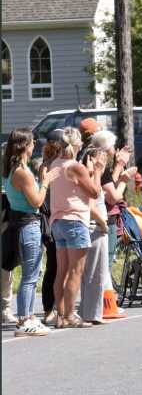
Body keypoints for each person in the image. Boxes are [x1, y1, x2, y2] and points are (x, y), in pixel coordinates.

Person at [2, 128, 59, 336]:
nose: (35, 144)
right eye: (33, 141)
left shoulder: (13, 169)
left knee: (32, 273)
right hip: (28, 224)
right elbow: (36, 201)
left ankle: (28, 316)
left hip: (23, 223)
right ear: (25, 145)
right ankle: (25, 319)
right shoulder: (22, 172)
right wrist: (46, 181)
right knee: (30, 275)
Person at [48, 127, 108, 328]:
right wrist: (98, 171)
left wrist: (89, 172)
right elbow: (94, 192)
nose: (82, 144)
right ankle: (70, 315)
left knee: (62, 271)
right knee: (75, 271)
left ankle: (60, 314)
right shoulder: (75, 166)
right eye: (80, 141)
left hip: (58, 220)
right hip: (75, 220)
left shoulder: (55, 164)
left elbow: (73, 187)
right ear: (74, 145)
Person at [79, 130, 122, 324]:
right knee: (97, 270)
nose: (114, 150)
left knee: (90, 270)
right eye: (112, 146)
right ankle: (93, 313)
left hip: (91, 219)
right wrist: (102, 222)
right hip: (95, 221)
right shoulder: (97, 165)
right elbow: (96, 196)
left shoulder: (87, 161)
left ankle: (88, 310)